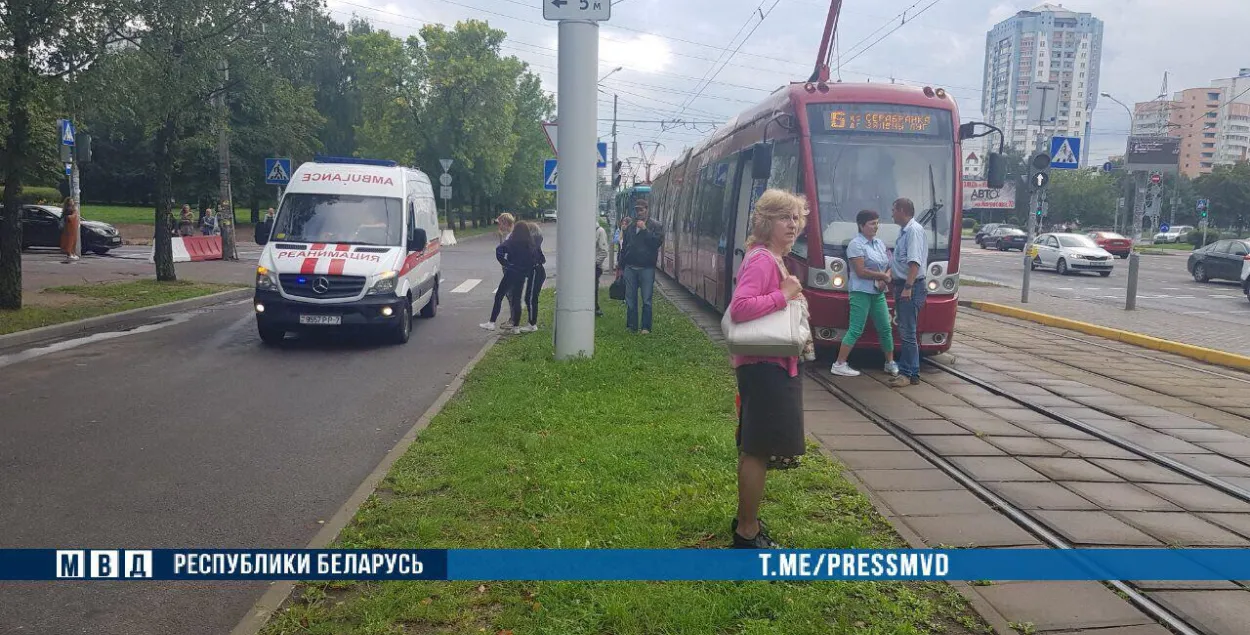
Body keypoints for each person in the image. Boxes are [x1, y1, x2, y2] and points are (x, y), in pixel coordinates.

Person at [725, 189, 810, 549]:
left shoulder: (773, 258)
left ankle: (749, 522)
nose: (792, 225)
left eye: (796, 218)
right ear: (765, 222)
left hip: (772, 365)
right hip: (764, 367)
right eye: (783, 218)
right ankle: (747, 533)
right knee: (757, 449)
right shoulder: (762, 260)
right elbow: (741, 307)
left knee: (756, 447)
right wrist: (785, 294)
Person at [830, 210, 898, 377]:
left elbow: (891, 262)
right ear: (861, 226)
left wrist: (886, 276)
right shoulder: (856, 244)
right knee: (856, 328)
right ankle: (839, 364)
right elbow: (860, 271)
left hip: (878, 292)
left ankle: (890, 362)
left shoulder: (880, 244)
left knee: (885, 327)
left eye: (877, 223)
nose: (876, 226)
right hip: (860, 291)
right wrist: (881, 276)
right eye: (872, 223)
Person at [889, 197, 928, 387]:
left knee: (908, 332)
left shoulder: (913, 231)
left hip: (910, 287)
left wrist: (907, 287)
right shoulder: (904, 231)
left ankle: (909, 373)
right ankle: (910, 372)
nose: (892, 214)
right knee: (905, 330)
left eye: (894, 210)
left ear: (903, 210)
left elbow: (914, 262)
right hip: (903, 285)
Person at [481, 221, 535, 334]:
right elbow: (532, 259)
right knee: (517, 300)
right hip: (521, 274)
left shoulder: (512, 241)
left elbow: (499, 250)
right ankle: (516, 327)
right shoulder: (529, 243)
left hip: (511, 271)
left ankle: (491, 322)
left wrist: (506, 263)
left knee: (499, 295)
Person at [619, 200, 662, 334]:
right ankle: (632, 326)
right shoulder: (631, 225)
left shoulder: (655, 225)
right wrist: (621, 264)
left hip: (646, 268)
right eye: (637, 210)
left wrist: (645, 230)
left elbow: (656, 243)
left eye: (641, 209)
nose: (639, 212)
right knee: (630, 299)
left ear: (647, 210)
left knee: (646, 299)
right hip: (631, 267)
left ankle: (645, 327)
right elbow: (625, 245)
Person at [520, 221, 546, 332]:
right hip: (536, 270)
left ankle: (532, 324)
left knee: (530, 298)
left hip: (536, 270)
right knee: (531, 297)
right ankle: (531, 323)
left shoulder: (533, 242)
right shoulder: (535, 241)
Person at [59, 197, 80, 263]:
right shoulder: (68, 209)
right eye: (71, 201)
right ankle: (69, 254)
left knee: (73, 240)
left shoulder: (71, 209)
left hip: (72, 227)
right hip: (69, 227)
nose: (72, 202)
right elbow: (68, 217)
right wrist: (73, 215)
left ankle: (72, 253)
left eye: (72, 201)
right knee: (70, 240)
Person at [595, 221, 609, 317]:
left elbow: (603, 251)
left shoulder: (599, 231)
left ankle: (595, 308)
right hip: (583, 267)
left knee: (593, 289)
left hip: (594, 267)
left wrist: (594, 264)